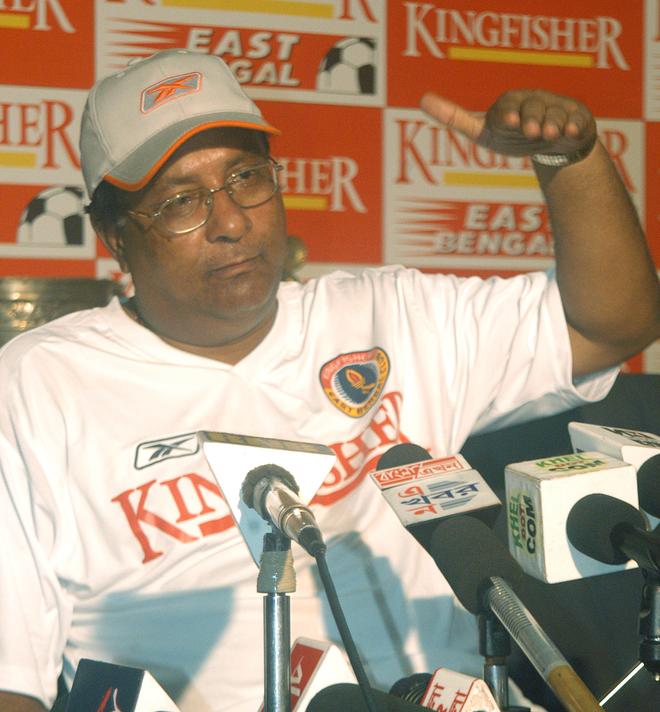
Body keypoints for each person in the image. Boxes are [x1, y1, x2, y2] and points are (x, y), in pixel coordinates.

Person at [0, 47, 658, 712]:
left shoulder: (390, 314)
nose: (231, 222)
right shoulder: (39, 386)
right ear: (114, 234)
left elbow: (612, 325)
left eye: (246, 178)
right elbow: (11, 680)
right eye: (180, 203)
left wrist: (570, 163)